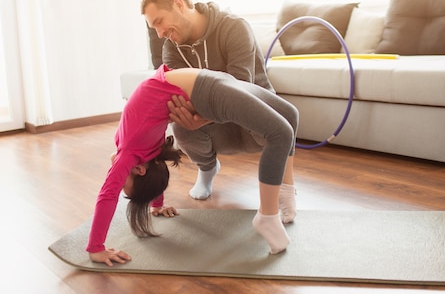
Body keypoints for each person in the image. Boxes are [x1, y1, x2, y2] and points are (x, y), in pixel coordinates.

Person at [86, 64, 299, 266]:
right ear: (139, 169)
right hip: (206, 88)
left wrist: (96, 247)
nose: (116, 177)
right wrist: (156, 205)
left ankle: (282, 199)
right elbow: (154, 168)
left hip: (212, 80)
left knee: (290, 115)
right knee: (281, 133)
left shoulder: (130, 151)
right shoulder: (139, 154)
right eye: (123, 181)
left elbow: (108, 194)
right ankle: (269, 215)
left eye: (121, 184)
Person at [141, 0, 298, 209]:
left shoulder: (234, 27)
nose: (160, 33)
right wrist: (189, 115)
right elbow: (179, 100)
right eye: (153, 28)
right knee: (181, 126)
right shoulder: (171, 50)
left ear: (179, 5)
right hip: (217, 127)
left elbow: (240, 88)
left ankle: (285, 189)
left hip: (255, 121)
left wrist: (201, 115)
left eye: (159, 22)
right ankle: (207, 170)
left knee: (285, 120)